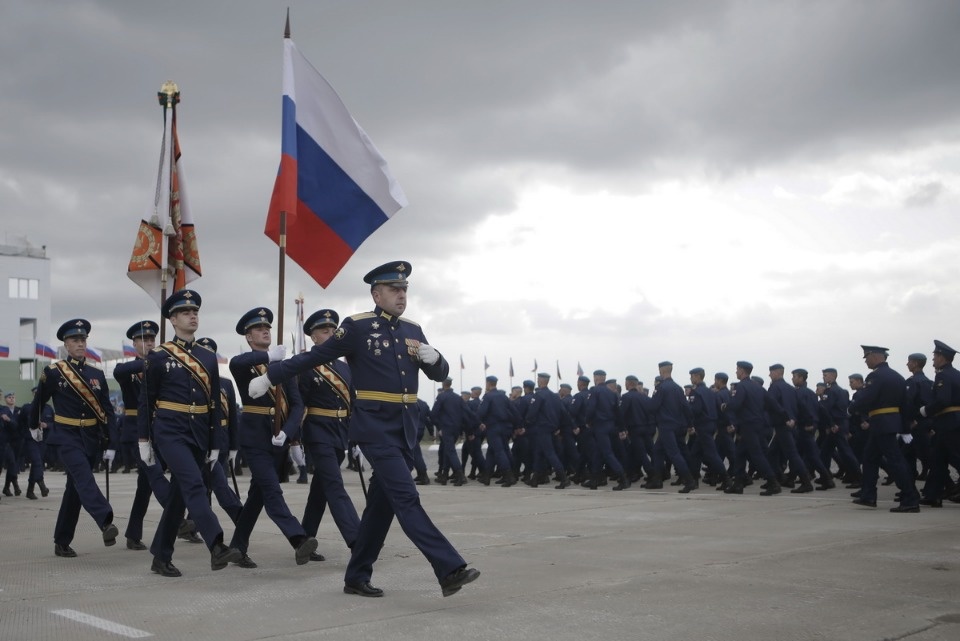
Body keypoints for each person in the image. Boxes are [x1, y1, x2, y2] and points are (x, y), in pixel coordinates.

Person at [249, 260, 480, 598]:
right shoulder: (357, 328)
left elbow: (439, 375)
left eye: (404, 290)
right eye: (394, 290)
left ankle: (356, 576)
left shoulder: (413, 330)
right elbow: (313, 358)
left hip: (404, 430)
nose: (401, 295)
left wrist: (437, 359)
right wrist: (271, 376)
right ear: (377, 293)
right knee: (407, 497)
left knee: (380, 508)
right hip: (374, 429)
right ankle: (448, 568)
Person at [138, 290, 242, 577]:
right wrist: (144, 439)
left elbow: (212, 405)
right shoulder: (159, 356)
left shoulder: (208, 357)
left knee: (178, 497)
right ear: (172, 319)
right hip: (170, 431)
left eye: (195, 311)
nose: (193, 316)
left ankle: (160, 556)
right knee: (194, 484)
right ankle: (217, 545)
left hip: (198, 432)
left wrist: (215, 443)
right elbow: (146, 401)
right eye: (185, 312)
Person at [228, 307, 317, 568]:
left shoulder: (282, 367)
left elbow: (298, 405)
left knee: (257, 495)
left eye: (267, 327)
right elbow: (237, 364)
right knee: (271, 490)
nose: (265, 330)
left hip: (277, 437)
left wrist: (288, 432)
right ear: (248, 337)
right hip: (254, 436)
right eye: (258, 328)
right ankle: (298, 538)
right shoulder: (245, 364)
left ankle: (237, 547)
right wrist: (268, 356)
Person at [31, 319, 118, 557]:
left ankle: (61, 540)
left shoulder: (97, 375)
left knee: (75, 491)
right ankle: (105, 521)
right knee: (84, 477)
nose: (80, 344)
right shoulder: (54, 372)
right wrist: (33, 426)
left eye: (82, 340)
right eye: (74, 340)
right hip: (66, 436)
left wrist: (111, 442)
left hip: (90, 437)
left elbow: (106, 410)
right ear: (66, 345)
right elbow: (38, 402)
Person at [297, 309, 360, 555]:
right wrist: (293, 438)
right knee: (335, 486)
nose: (331, 334)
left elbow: (353, 404)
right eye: (325, 331)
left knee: (320, 491)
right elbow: (297, 403)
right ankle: (358, 541)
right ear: (313, 337)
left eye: (334, 331)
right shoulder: (306, 365)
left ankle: (304, 540)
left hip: (340, 433)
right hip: (318, 432)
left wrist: (357, 436)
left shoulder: (344, 368)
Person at [114, 320, 172, 550]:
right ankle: (179, 518)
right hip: (137, 432)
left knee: (145, 486)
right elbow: (121, 371)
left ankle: (133, 533)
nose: (149, 343)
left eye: (151, 339)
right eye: (143, 340)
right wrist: (151, 362)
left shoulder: (160, 367)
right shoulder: (128, 369)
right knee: (155, 475)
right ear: (134, 343)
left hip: (159, 430)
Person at [848, 346, 920, 512]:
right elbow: (906, 404)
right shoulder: (898, 377)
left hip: (881, 422)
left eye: (867, 357)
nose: (866, 360)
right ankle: (868, 495)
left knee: (895, 460)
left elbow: (867, 398)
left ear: (874, 356)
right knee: (870, 458)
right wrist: (905, 427)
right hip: (889, 422)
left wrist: (851, 409)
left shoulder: (876, 376)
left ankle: (910, 498)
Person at [918, 340, 960, 508]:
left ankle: (933, 494)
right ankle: (932, 494)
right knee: (938, 459)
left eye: (935, 356)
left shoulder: (942, 375)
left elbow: (943, 400)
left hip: (949, 422)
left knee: (956, 457)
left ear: (942, 357)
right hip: (950, 421)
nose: (933, 359)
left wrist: (925, 411)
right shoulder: (956, 374)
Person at [19, 386, 52, 499]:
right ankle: (42, 485)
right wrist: (25, 434)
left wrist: (46, 425)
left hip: (43, 441)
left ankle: (30, 491)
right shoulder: (27, 407)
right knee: (37, 462)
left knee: (36, 465)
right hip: (30, 440)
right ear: (34, 394)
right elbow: (20, 423)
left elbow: (55, 423)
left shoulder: (48, 408)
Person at [2, 391, 24, 496]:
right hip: (7, 441)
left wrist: (9, 420)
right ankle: (15, 485)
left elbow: (19, 424)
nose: (11, 399)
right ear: (5, 399)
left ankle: (6, 487)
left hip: (18, 441)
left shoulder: (19, 410)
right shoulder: (3, 410)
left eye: (13, 397)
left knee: (14, 464)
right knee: (12, 463)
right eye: (9, 397)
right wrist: (12, 421)